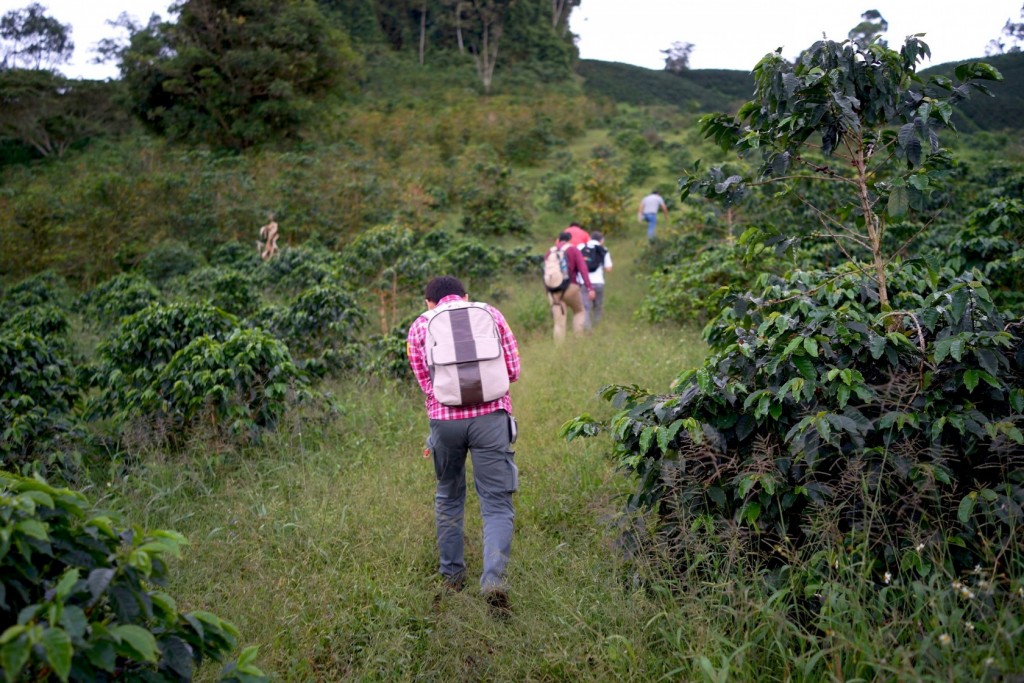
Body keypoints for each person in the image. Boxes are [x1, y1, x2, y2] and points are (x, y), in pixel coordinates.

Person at [406, 275, 521, 616]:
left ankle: (452, 578)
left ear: (430, 302)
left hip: (445, 422)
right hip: (491, 418)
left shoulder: (420, 326)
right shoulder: (490, 313)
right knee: (497, 504)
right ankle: (493, 581)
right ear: (465, 296)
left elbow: (425, 383)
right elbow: (512, 371)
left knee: (449, 496)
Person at [547, 230, 595, 342]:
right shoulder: (573, 249)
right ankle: (578, 340)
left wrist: (549, 292)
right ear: (570, 240)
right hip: (570, 287)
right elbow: (583, 269)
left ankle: (559, 349)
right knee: (579, 311)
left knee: (559, 323)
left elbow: (546, 273)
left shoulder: (550, 252)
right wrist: (589, 288)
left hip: (554, 290)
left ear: (558, 240)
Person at [580, 231, 613, 329]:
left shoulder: (581, 247)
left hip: (584, 282)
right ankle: (597, 326)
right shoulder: (603, 250)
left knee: (586, 307)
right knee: (598, 306)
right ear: (601, 240)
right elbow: (609, 268)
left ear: (590, 238)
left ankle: (587, 330)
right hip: (599, 282)